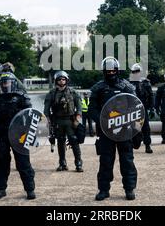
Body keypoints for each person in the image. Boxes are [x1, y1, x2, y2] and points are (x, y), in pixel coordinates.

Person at [88, 57, 138, 201]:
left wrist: (138, 131)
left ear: (117, 70)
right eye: (108, 70)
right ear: (104, 71)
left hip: (125, 129)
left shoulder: (127, 86)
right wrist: (103, 122)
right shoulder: (98, 88)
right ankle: (103, 190)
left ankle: (129, 189)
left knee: (127, 161)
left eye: (113, 70)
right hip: (106, 131)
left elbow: (137, 107)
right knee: (105, 161)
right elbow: (92, 110)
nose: (110, 73)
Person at [0, 72, 36, 200]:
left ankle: (30, 189)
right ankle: (1, 189)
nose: (5, 84)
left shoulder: (22, 97)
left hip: (19, 135)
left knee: (23, 163)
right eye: (3, 83)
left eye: (7, 82)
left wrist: (31, 133)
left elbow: (31, 116)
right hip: (1, 135)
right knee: (1, 163)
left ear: (13, 83)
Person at [44, 71, 83, 172]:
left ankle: (78, 163)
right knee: (60, 142)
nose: (62, 81)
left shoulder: (73, 92)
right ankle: (62, 163)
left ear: (66, 80)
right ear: (56, 81)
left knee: (74, 141)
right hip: (58, 121)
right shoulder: (52, 93)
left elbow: (79, 106)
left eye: (63, 79)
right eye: (59, 79)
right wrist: (48, 120)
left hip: (70, 120)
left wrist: (77, 118)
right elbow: (46, 109)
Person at [129, 63, 154, 154]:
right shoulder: (129, 83)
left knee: (146, 127)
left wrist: (152, 108)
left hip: (143, 108)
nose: (136, 73)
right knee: (133, 127)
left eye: (137, 71)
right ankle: (133, 144)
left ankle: (147, 145)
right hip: (133, 109)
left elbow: (151, 96)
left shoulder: (146, 82)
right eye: (134, 71)